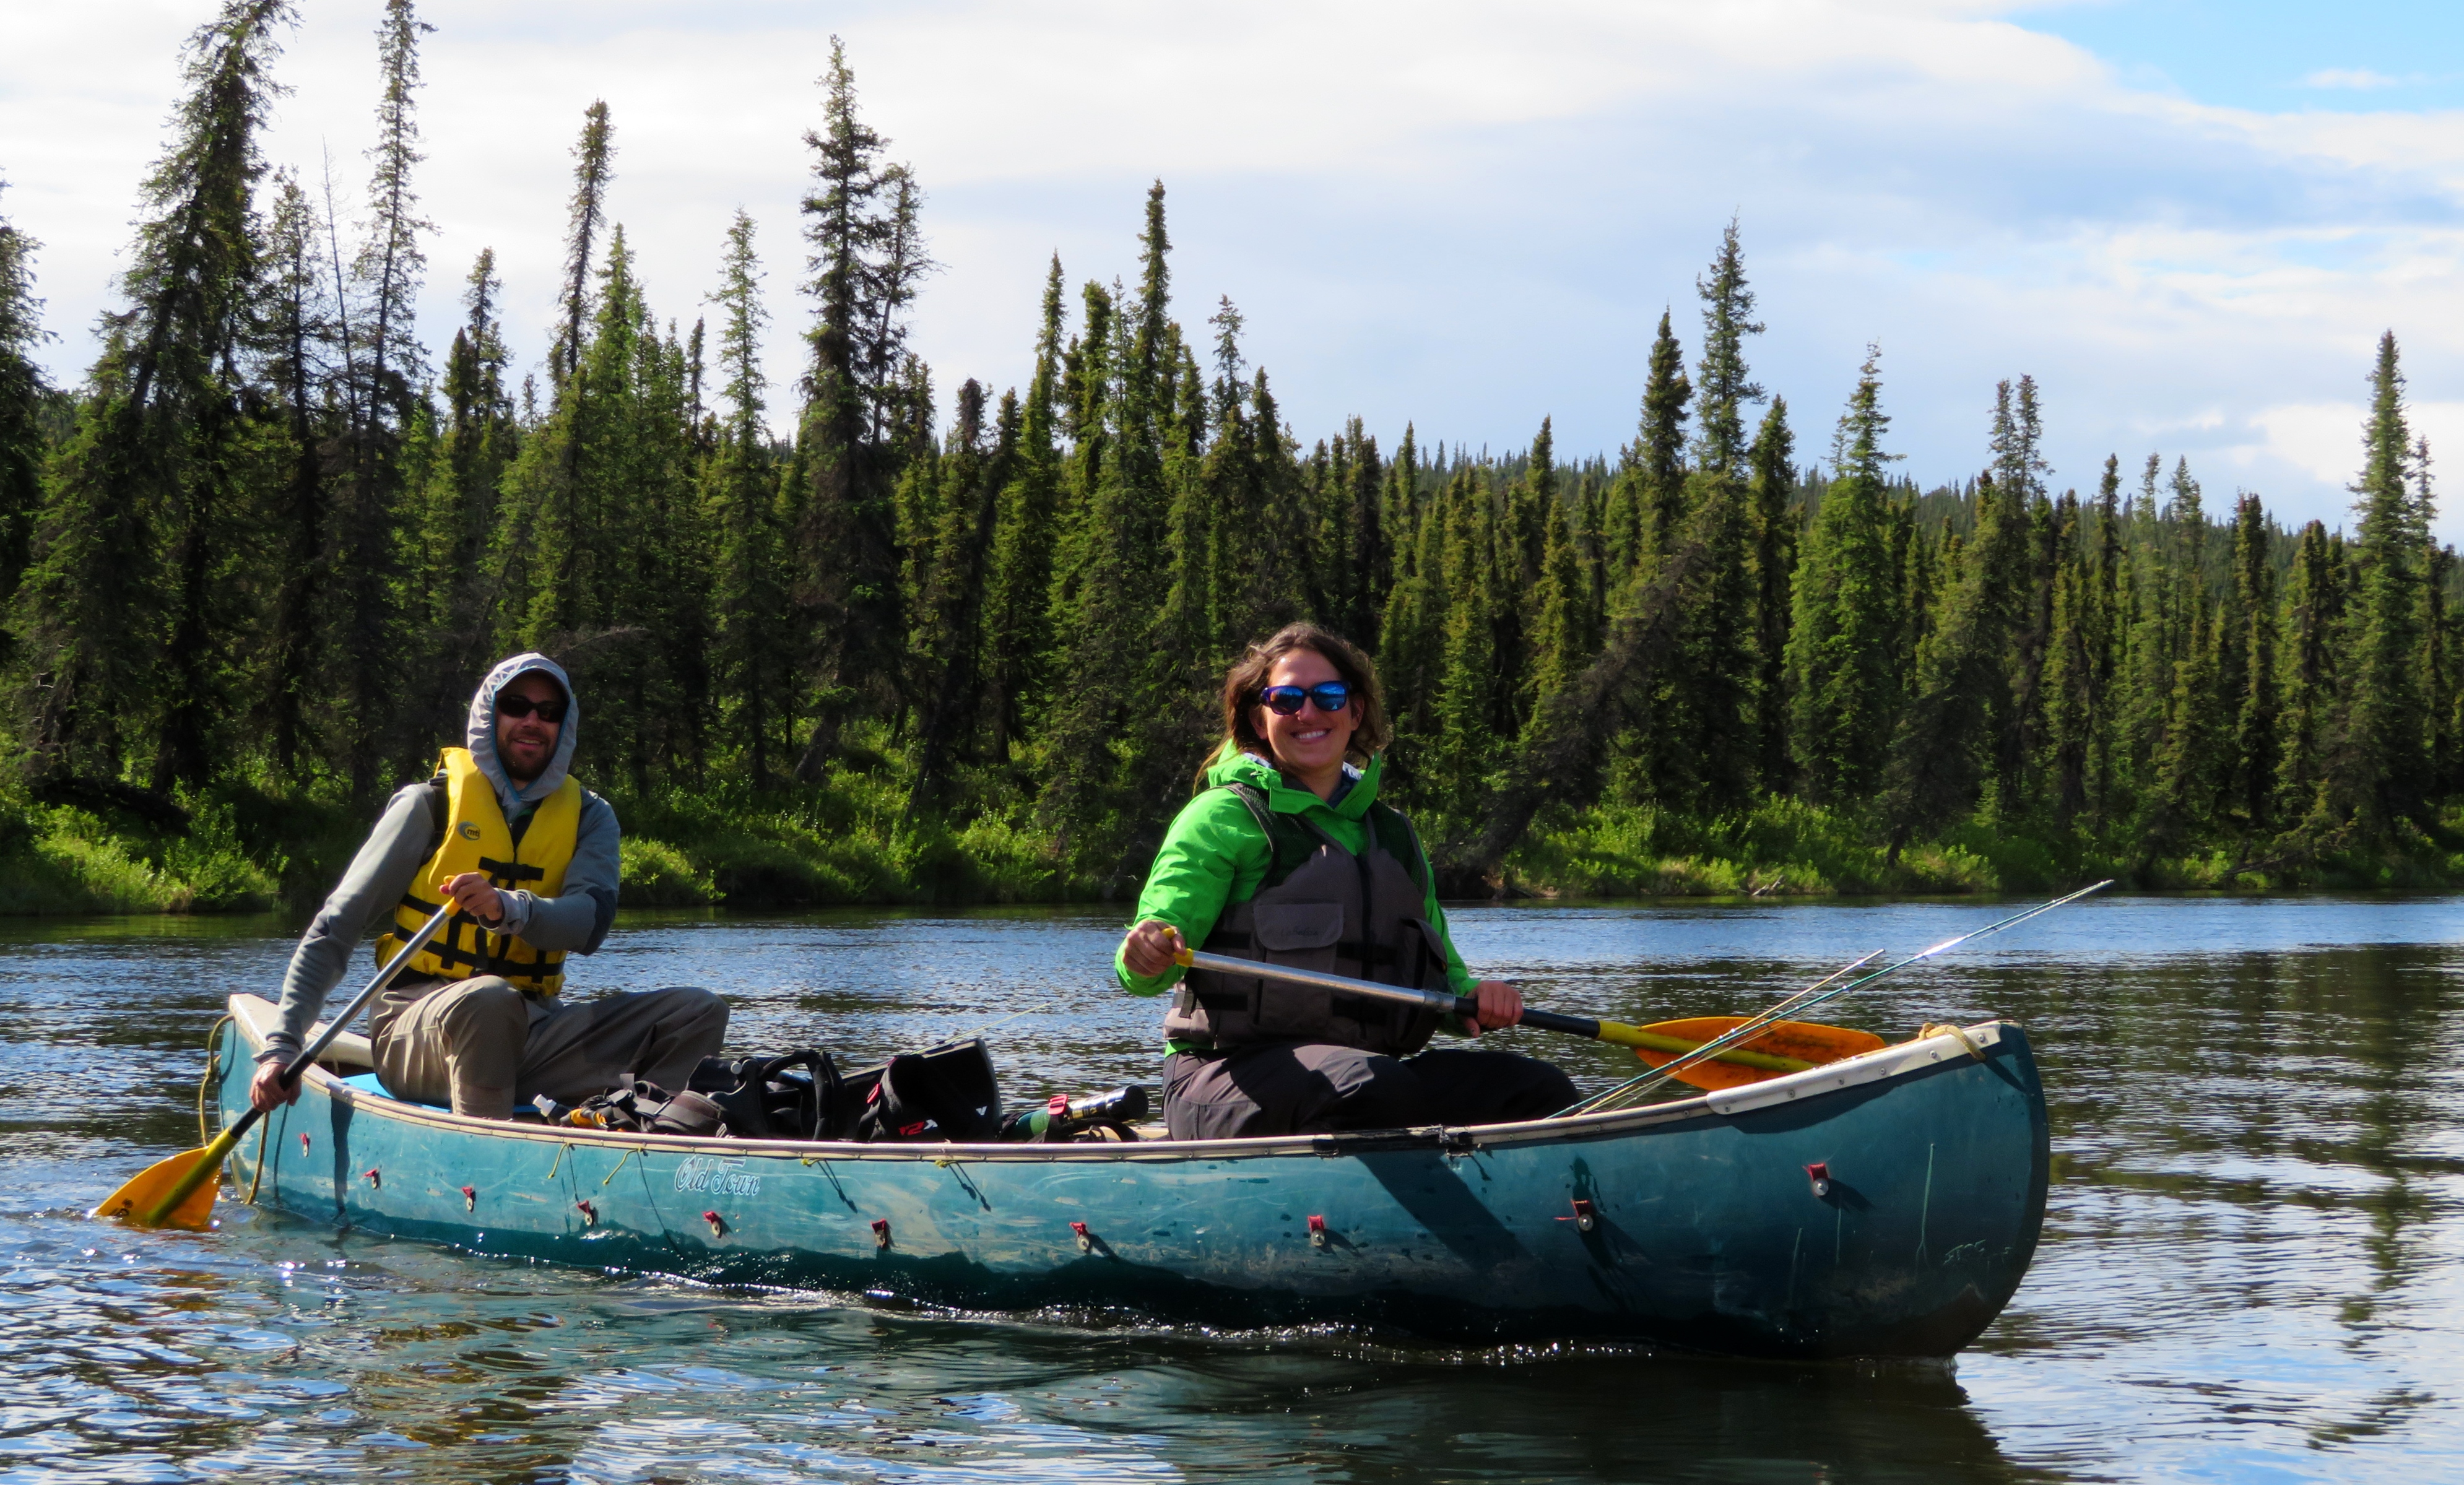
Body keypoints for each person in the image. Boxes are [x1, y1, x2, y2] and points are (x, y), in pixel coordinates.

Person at [1117, 623, 1578, 1140]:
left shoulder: (1394, 835)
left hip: (1365, 1078)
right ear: (1258, 716)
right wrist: (1147, 951)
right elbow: (1147, 962)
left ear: (1355, 712)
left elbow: (1445, 979)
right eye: (1286, 698)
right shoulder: (1221, 818)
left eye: (1328, 696)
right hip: (1222, 1078)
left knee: (1539, 1089)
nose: (1308, 713)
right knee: (1373, 1085)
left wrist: (1480, 997)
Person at [249, 653, 727, 1119]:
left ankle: (643, 1140)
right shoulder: (426, 807)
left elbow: (590, 923)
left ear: (565, 725)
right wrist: (283, 1045)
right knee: (487, 998)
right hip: (416, 1027)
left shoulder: (591, 816)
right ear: (489, 715)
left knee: (697, 1012)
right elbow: (336, 927)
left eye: (549, 712)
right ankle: (486, 1157)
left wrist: (509, 908)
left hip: (535, 1029)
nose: (532, 721)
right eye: (516, 706)